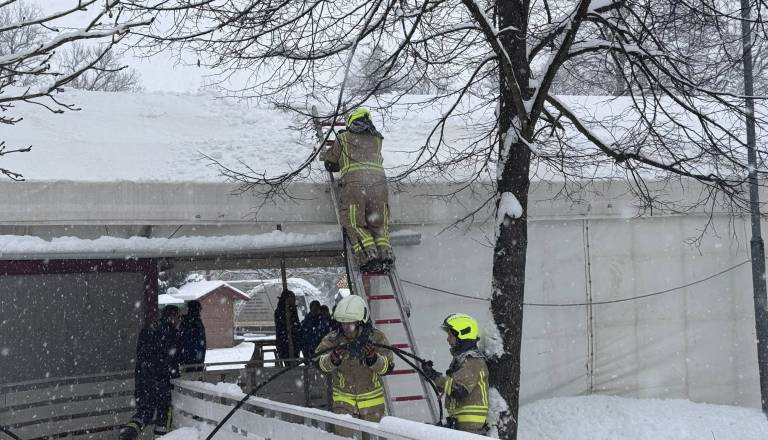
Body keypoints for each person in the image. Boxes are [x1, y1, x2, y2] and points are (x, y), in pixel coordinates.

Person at [322, 107, 393, 272]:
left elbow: (330, 164)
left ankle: (369, 257)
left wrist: (330, 155)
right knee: (378, 223)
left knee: (354, 222)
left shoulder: (343, 138)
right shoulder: (377, 139)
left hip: (355, 186)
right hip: (380, 186)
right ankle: (385, 255)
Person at [315, 295, 394, 439]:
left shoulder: (377, 338)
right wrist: (332, 360)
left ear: (360, 322)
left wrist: (373, 359)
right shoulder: (333, 339)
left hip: (372, 404)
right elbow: (319, 363)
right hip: (343, 402)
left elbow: (388, 368)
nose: (345, 328)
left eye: (350, 325)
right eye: (342, 324)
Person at [119, 306, 182, 440]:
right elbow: (173, 359)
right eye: (178, 317)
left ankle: (128, 433)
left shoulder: (148, 329)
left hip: (142, 380)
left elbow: (141, 354)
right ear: (173, 316)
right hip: (161, 381)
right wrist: (174, 375)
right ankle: (161, 437)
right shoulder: (171, 333)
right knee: (164, 414)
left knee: (144, 413)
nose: (178, 321)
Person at [421, 313, 489, 435]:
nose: (448, 339)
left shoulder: (473, 361)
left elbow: (458, 391)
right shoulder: (462, 360)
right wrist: (432, 375)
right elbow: (451, 387)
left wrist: (435, 376)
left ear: (463, 333)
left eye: (450, 335)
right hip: (463, 424)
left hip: (469, 427)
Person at [273, 289, 302, 365]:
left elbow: (296, 323)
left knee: (294, 360)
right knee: (288, 362)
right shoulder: (280, 311)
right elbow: (282, 326)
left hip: (294, 340)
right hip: (285, 341)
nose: (294, 300)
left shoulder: (293, 309)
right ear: (287, 299)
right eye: (292, 298)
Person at [179, 300, 206, 371]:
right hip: (193, 359)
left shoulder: (185, 322)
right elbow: (200, 343)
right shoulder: (195, 323)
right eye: (199, 309)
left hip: (189, 359)